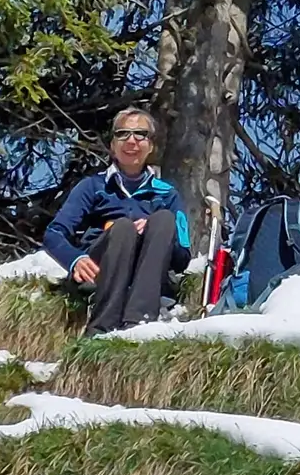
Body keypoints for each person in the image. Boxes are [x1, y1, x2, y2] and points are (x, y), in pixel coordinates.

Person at [43, 108, 191, 334]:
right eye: (123, 134)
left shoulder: (167, 194)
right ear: (113, 145)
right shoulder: (93, 186)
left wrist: (156, 231)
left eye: (140, 134)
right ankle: (102, 326)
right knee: (122, 228)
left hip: (150, 276)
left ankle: (138, 322)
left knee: (163, 220)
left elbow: (182, 258)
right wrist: (75, 260)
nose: (131, 140)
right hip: (100, 271)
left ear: (150, 145)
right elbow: (54, 234)